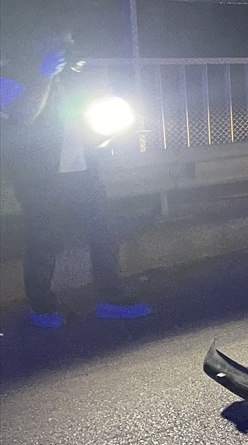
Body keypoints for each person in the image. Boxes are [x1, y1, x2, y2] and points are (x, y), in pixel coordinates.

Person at [0, 25, 153, 328]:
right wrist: (44, 75)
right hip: (38, 176)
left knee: (103, 233)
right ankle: (42, 307)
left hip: (81, 170)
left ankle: (110, 297)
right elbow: (25, 115)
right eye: (60, 41)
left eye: (70, 42)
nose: (67, 49)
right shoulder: (11, 75)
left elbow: (86, 123)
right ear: (38, 42)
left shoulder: (73, 76)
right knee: (43, 240)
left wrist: (109, 131)